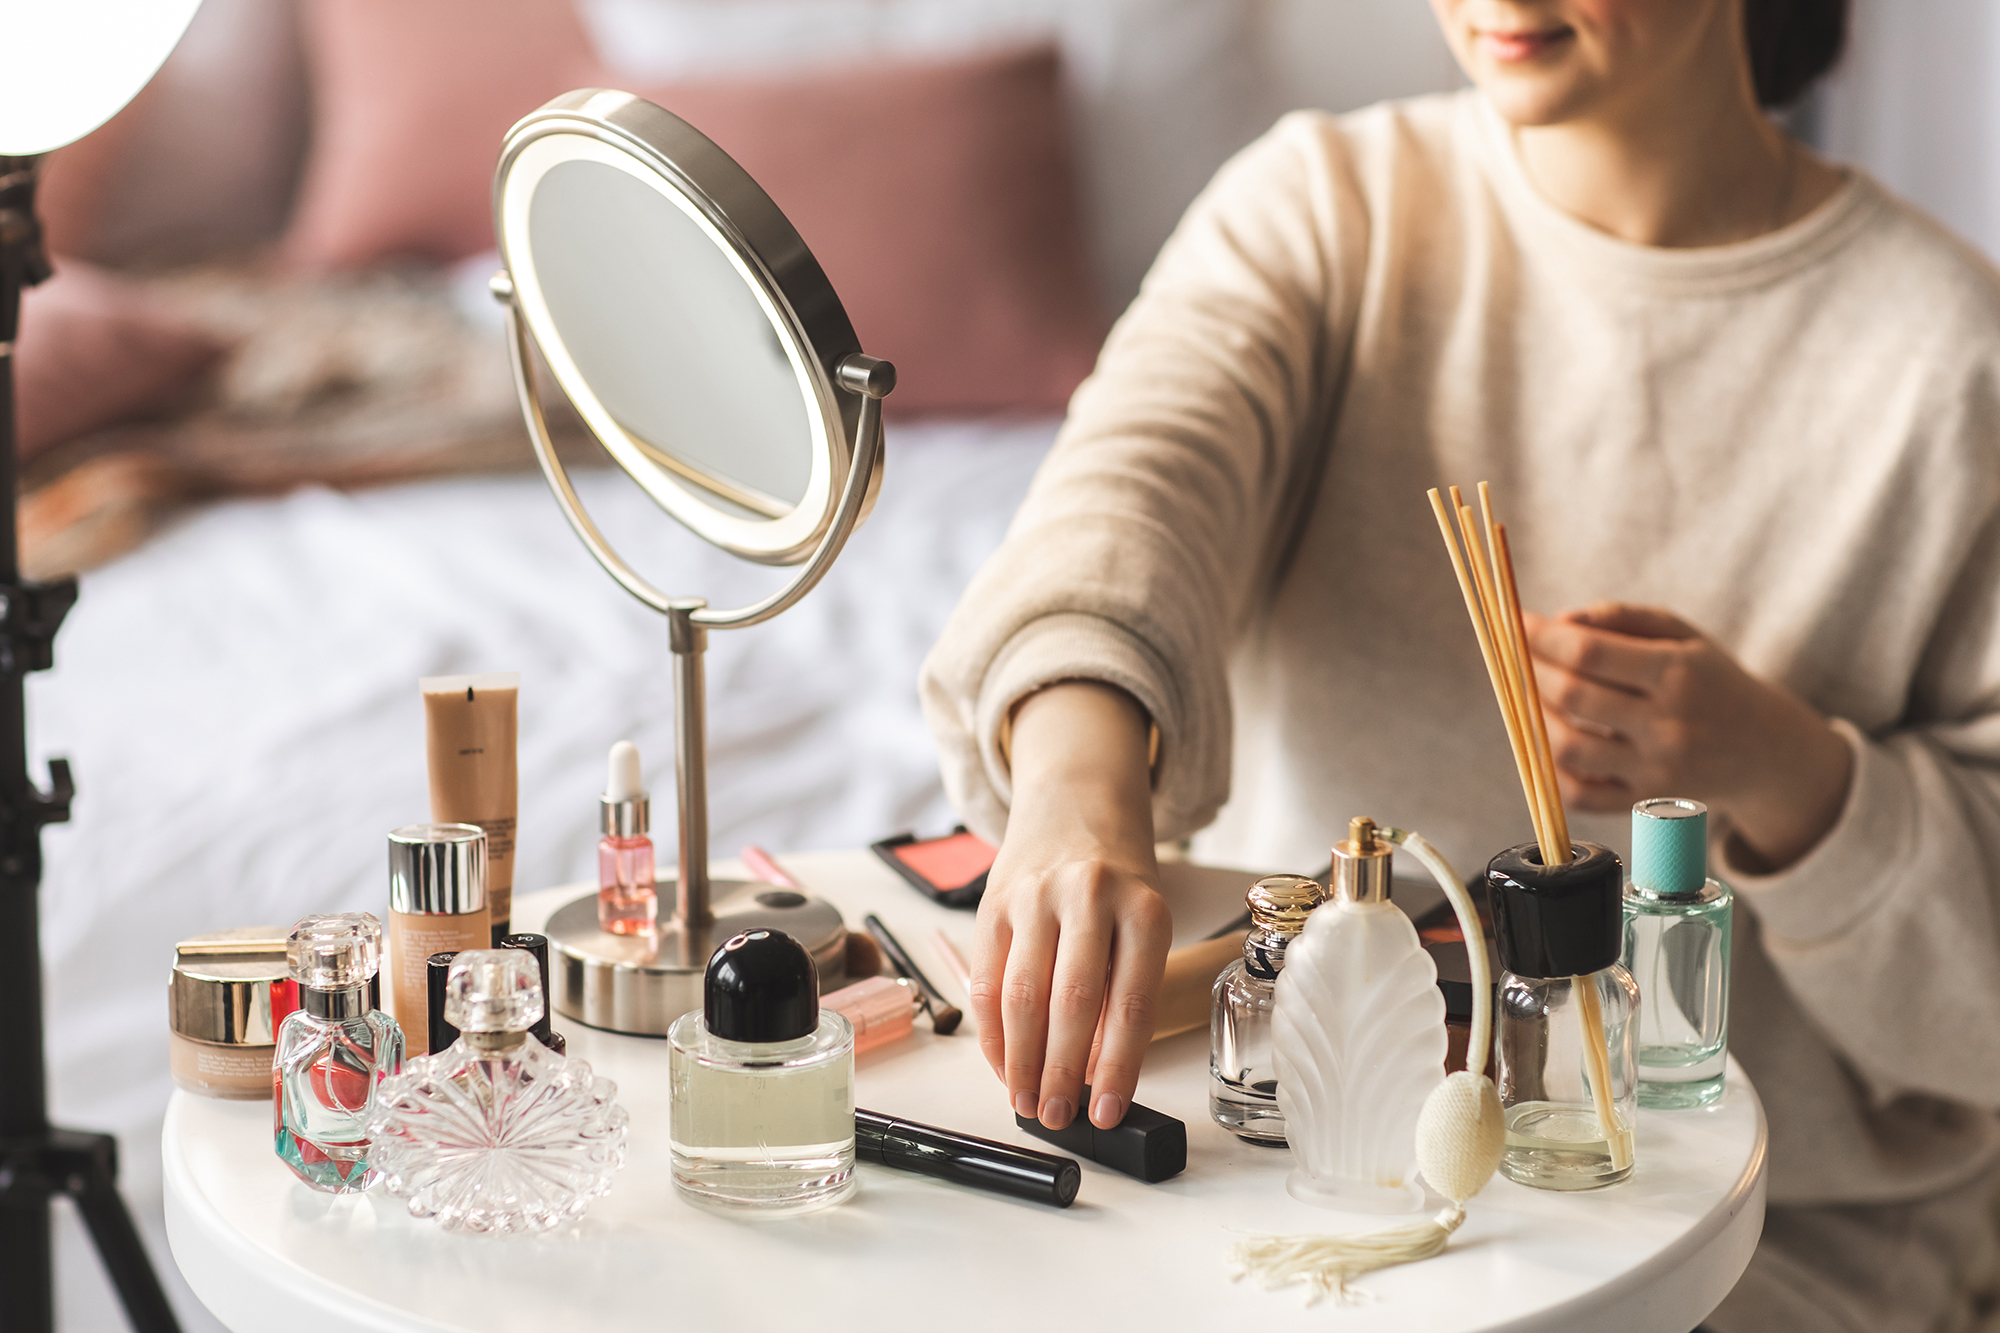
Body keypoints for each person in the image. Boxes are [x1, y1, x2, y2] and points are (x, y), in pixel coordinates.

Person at [920, 0, 2000, 1326]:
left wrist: (1787, 770)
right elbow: (1134, 486)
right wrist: (1078, 786)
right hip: (1300, 1179)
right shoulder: (1329, 208)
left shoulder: (1951, 359)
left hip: (1762, 1240)